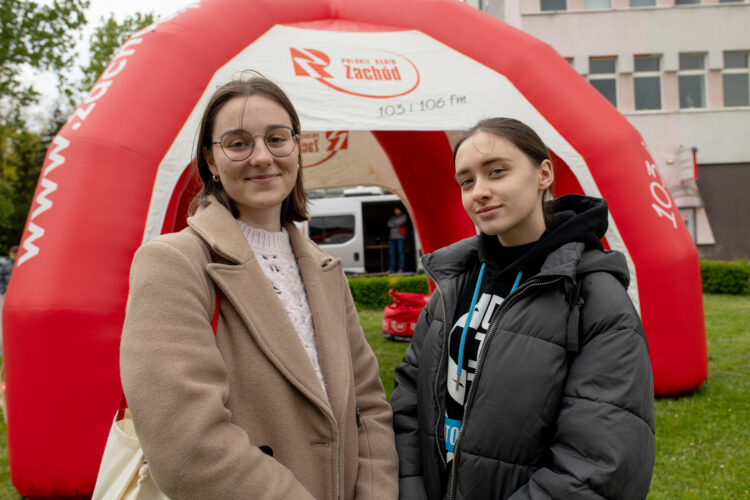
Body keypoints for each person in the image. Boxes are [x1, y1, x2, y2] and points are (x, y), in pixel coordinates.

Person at [120, 76, 398, 499]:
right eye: (238, 143)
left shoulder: (325, 269)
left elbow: (369, 407)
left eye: (277, 138)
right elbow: (189, 445)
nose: (262, 157)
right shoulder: (173, 263)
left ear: (297, 149)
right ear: (210, 161)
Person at [390, 117, 655, 499]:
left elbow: (598, 463)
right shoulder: (452, 286)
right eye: (466, 181)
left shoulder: (594, 298)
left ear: (543, 173)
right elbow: (407, 405)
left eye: (497, 171)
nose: (480, 192)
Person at [387, 207, 407, 273]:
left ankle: (401, 268)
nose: (396, 211)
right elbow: (388, 224)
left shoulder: (404, 216)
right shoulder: (392, 217)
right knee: (391, 253)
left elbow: (400, 222)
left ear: (400, 210)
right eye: (395, 210)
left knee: (400, 253)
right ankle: (391, 269)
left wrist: (394, 223)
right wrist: (396, 223)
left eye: (397, 210)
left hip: (400, 237)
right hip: (392, 238)